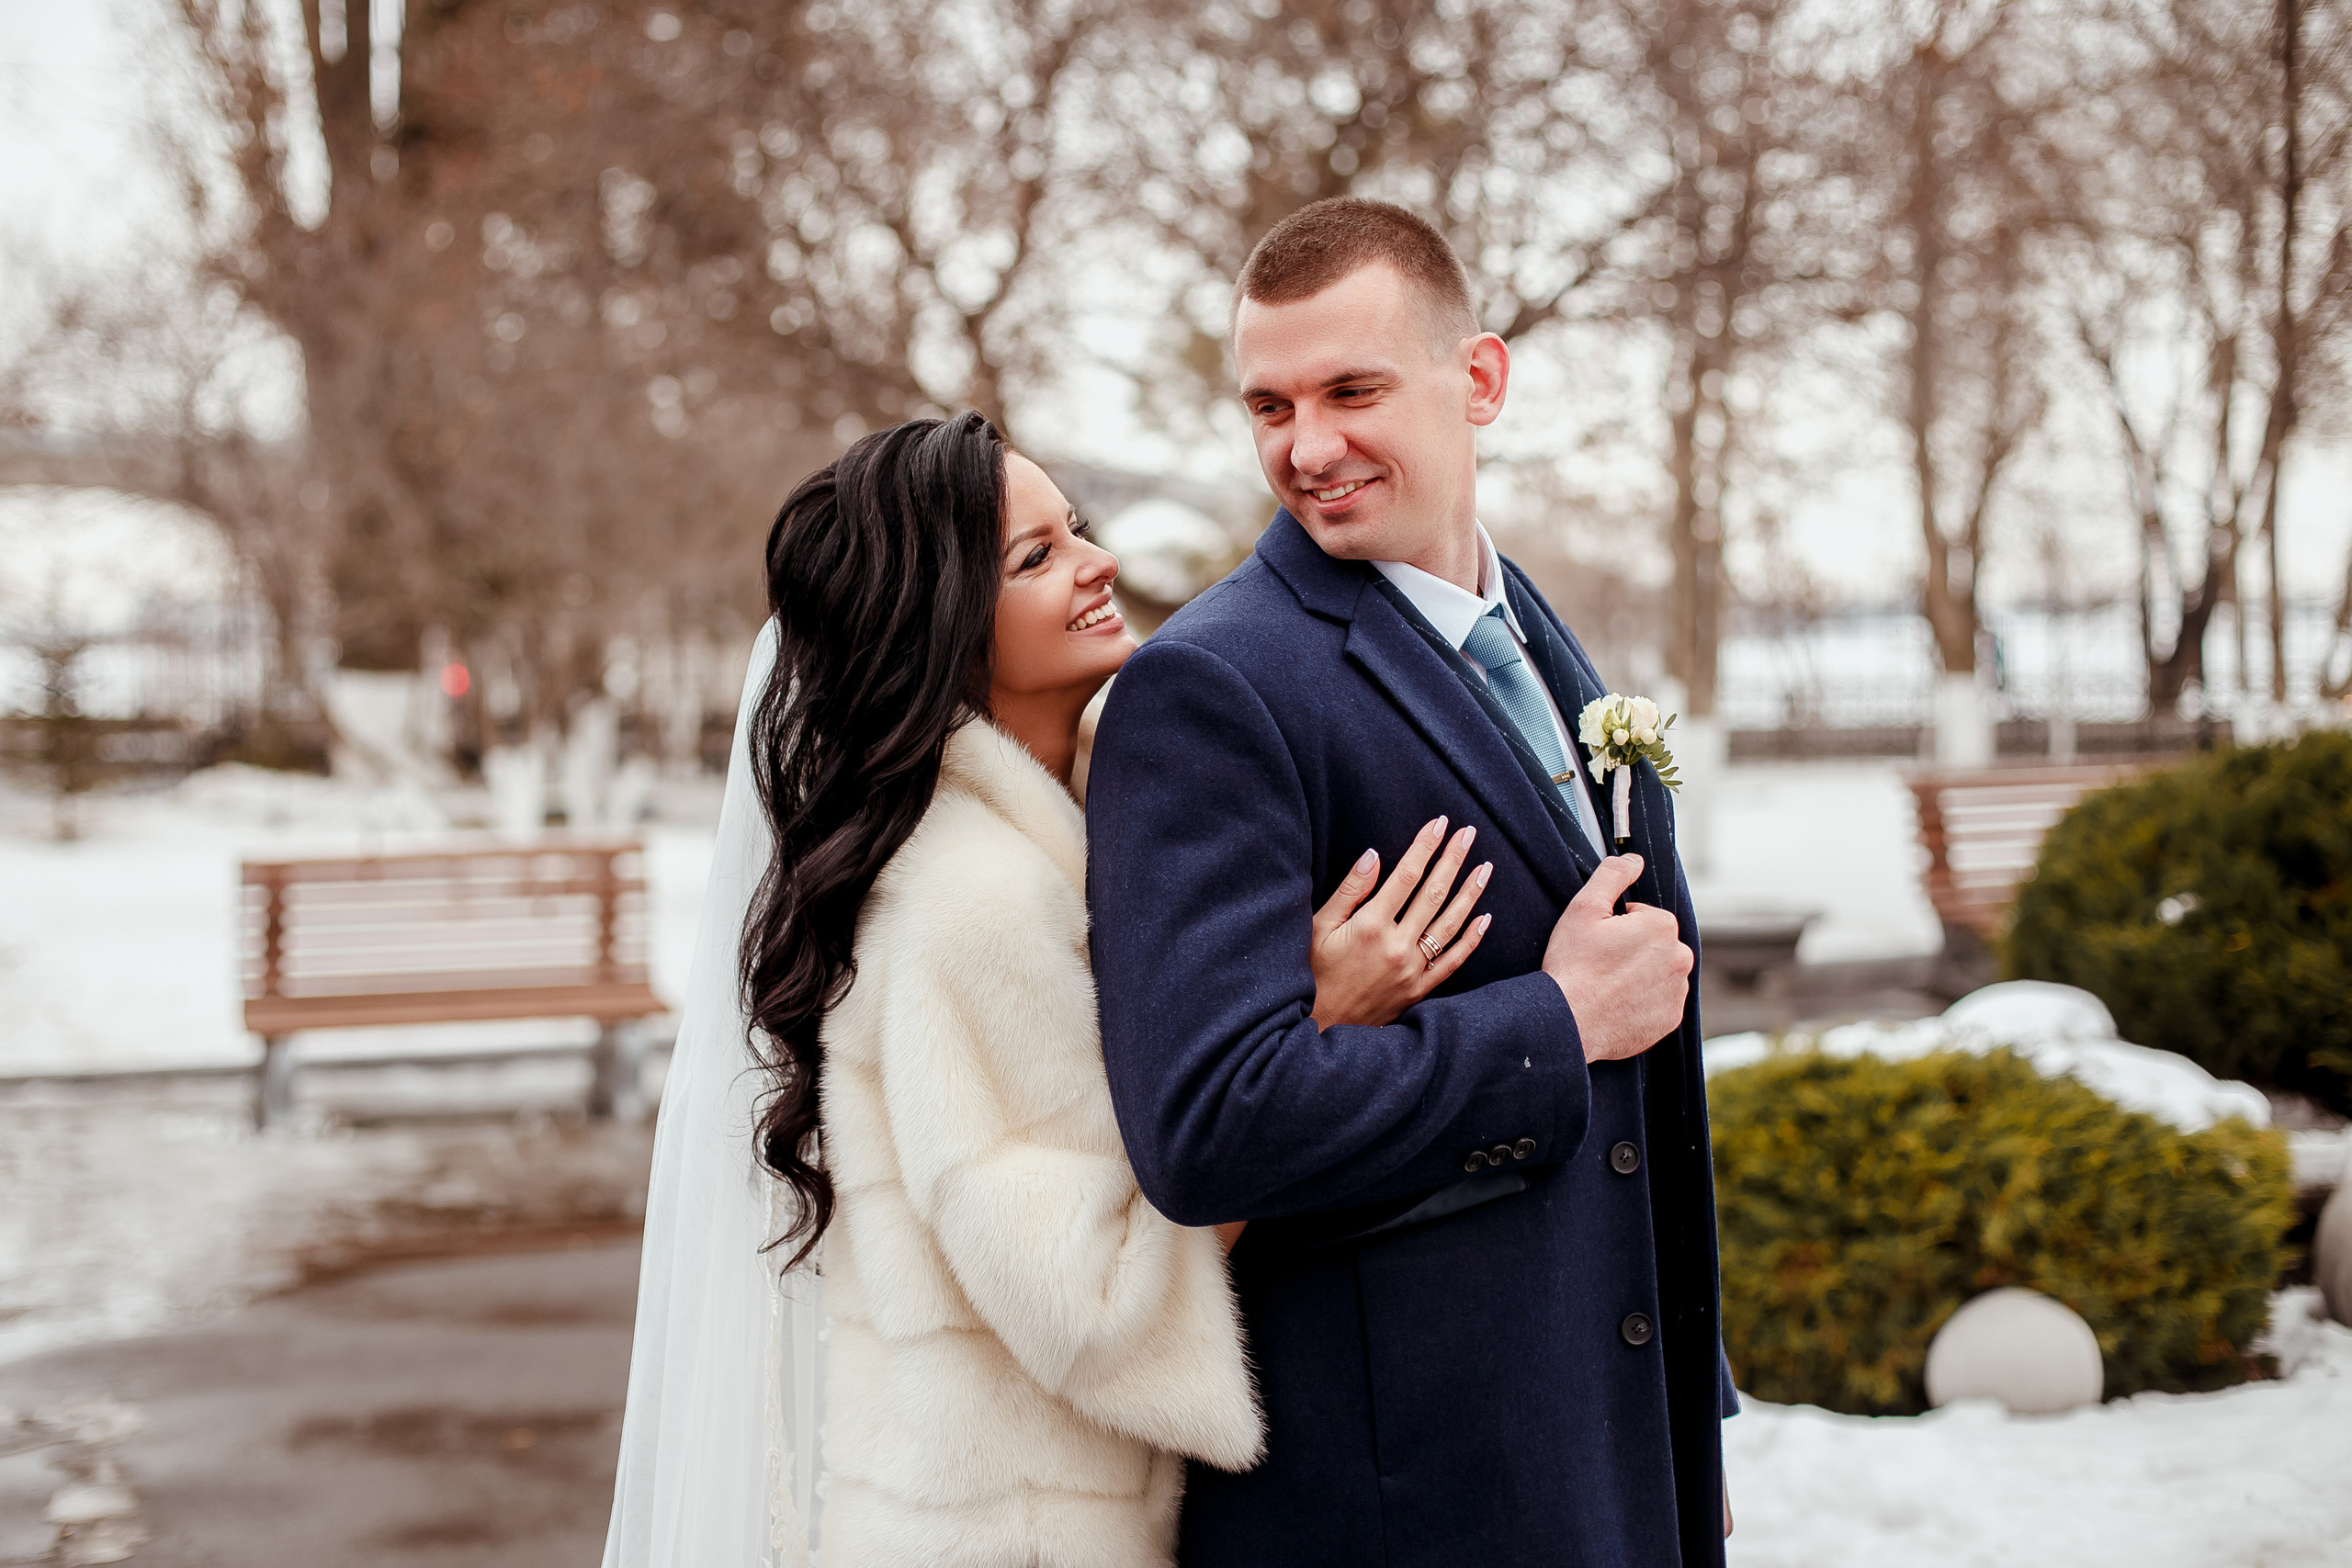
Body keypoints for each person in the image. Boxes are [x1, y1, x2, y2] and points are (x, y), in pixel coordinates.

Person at [602, 412, 1494, 1568]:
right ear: (940, 631)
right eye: (1035, 558)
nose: (1098, 562)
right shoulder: (974, 899)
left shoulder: (1042, 842)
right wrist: (1309, 1030)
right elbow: (1096, 1300)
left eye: (1072, 528)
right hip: (1016, 1534)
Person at [1086, 198, 1740, 1568]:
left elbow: (1648, 1099)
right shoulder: (1210, 685)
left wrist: (1682, 1421)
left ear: (1480, 379)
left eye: (1351, 389)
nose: (1306, 447)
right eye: (1270, 403)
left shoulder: (1532, 625)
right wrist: (1553, 1024)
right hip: (1404, 1501)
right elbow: (1205, 1127)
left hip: (1602, 1456)